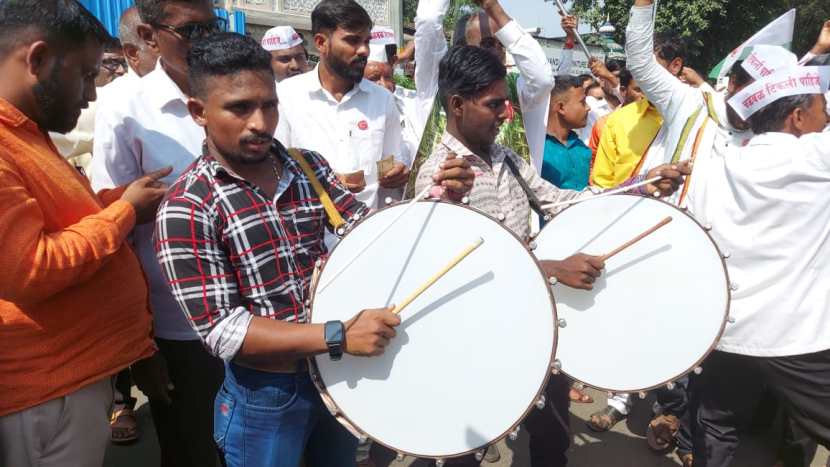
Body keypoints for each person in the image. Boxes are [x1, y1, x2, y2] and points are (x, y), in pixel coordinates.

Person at [154, 32, 473, 467]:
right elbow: (223, 330)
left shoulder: (308, 167)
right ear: (198, 112)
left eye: (269, 105)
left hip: (339, 378)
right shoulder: (188, 206)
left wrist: (440, 199)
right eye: (239, 108)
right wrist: (338, 335)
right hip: (265, 399)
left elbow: (367, 236)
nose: (260, 123)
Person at [414, 45, 690, 467]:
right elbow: (451, 269)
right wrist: (551, 270)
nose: (507, 113)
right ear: (456, 104)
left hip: (532, 319)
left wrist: (639, 186)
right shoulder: (438, 175)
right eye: (493, 104)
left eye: (505, 102)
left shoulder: (504, 157)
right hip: (474, 333)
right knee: (468, 436)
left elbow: (560, 202)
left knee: (550, 431)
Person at [0, 1, 171, 466]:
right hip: (44, 395)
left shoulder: (26, 134)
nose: (92, 96)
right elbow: (29, 269)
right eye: (85, 74)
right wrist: (122, 214)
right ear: (36, 60)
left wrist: (119, 200)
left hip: (69, 383)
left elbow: (59, 220)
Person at [89, 0, 227, 465]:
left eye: (215, 27)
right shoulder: (125, 109)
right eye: (193, 31)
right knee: (192, 449)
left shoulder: (241, 88)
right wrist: (141, 345)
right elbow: (116, 232)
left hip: (256, 313)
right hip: (179, 324)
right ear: (149, 38)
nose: (208, 41)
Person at [686, 44, 830, 467]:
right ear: (797, 117)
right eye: (822, 107)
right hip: (798, 338)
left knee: (715, 427)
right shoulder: (819, 157)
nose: (827, 117)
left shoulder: (718, 163)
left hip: (728, 331)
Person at [276, 0, 407, 211]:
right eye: (353, 41)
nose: (364, 50)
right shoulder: (286, 96)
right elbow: (275, 168)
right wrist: (324, 182)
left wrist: (397, 172)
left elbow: (392, 160)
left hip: (368, 229)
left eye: (366, 41)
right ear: (321, 43)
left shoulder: (382, 100)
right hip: (309, 234)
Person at [415, 0, 554, 173]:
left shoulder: (514, 88)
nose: (497, 51)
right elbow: (428, 21)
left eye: (502, 44)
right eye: (487, 43)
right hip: (441, 195)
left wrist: (493, 7)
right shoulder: (437, 82)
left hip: (508, 197)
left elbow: (543, 79)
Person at [590, 32, 688, 189]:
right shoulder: (617, 122)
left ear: (676, 65)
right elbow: (601, 187)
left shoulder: (700, 118)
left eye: (648, 68)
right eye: (638, 68)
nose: (641, 76)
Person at [50, 35, 127, 174]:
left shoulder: (127, 100)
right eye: (111, 62)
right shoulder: (67, 113)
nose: (121, 70)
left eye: (124, 63)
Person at [364, 25, 423, 167]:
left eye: (388, 77)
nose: (384, 85)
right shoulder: (352, 111)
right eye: (374, 78)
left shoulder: (409, 101)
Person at [541, 75, 592, 190]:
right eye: (583, 102)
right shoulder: (536, 151)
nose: (588, 108)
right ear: (561, 108)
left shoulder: (582, 148)